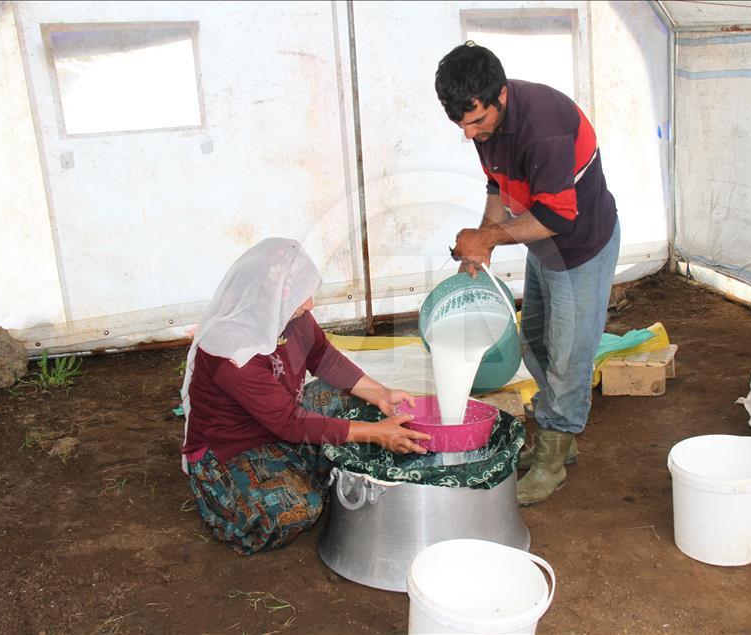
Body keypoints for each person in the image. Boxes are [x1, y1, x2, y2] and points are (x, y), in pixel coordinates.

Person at [435, 42, 620, 506]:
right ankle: (561, 436)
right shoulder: (486, 128)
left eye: (477, 121)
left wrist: (490, 238)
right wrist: (480, 243)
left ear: (500, 95)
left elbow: (560, 217)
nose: (469, 133)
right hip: (543, 246)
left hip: (581, 246)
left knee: (568, 354)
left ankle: (554, 457)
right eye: (460, 124)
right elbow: (497, 183)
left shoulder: (544, 129)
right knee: (535, 339)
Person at [179, 238, 430, 554]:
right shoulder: (231, 349)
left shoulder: (291, 316)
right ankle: (227, 498)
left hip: (281, 420)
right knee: (296, 510)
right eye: (301, 295)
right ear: (271, 296)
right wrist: (376, 435)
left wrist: (381, 394)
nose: (310, 303)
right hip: (235, 451)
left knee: (353, 402)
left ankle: (313, 466)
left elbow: (323, 356)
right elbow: (289, 422)